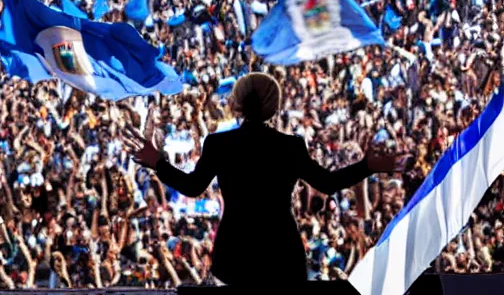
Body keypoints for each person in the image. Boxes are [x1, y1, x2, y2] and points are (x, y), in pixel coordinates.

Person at [125, 73, 409, 288]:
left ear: (236, 104)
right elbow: (328, 183)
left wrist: (158, 162)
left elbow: (191, 187)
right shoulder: (291, 146)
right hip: (281, 253)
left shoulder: (219, 144)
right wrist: (369, 166)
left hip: (236, 253)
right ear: (274, 107)